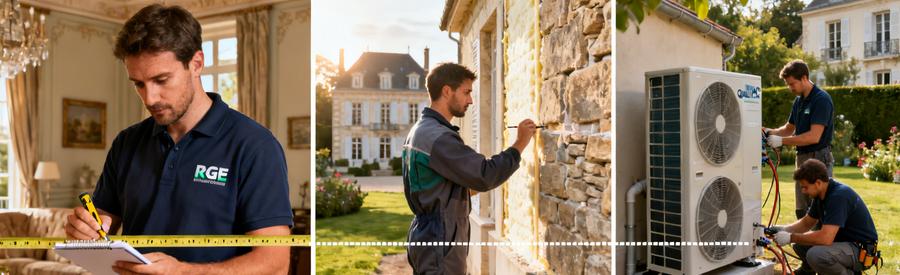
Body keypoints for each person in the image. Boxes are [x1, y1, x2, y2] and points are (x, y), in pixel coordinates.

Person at [64, 4, 293, 274]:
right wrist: (86, 232)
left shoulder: (255, 145)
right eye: (138, 83)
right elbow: (103, 225)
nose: (149, 98)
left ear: (196, 63)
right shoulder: (126, 143)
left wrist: (183, 271)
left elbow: (275, 263)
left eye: (161, 80)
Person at [402, 63, 536, 274]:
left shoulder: (421, 130)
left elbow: (440, 186)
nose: (471, 100)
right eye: (466, 92)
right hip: (440, 243)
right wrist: (520, 143)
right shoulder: (439, 138)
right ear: (447, 91)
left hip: (429, 236)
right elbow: (484, 174)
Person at [771, 159, 877, 275]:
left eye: (805, 187)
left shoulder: (838, 196)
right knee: (800, 245)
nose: (803, 191)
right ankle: (807, 271)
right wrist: (783, 230)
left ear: (818, 183)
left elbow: (825, 238)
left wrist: (791, 237)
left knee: (816, 255)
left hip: (859, 249)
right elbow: (806, 223)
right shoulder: (821, 194)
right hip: (844, 244)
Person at [763, 60, 835, 220]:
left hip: (818, 158)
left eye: (792, 84)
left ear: (804, 78)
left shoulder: (821, 99)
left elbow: (813, 136)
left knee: (820, 207)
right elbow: (788, 129)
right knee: (802, 208)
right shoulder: (799, 101)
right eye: (788, 84)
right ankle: (803, 244)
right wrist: (768, 132)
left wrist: (782, 142)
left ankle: (823, 243)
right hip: (802, 158)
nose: (790, 88)